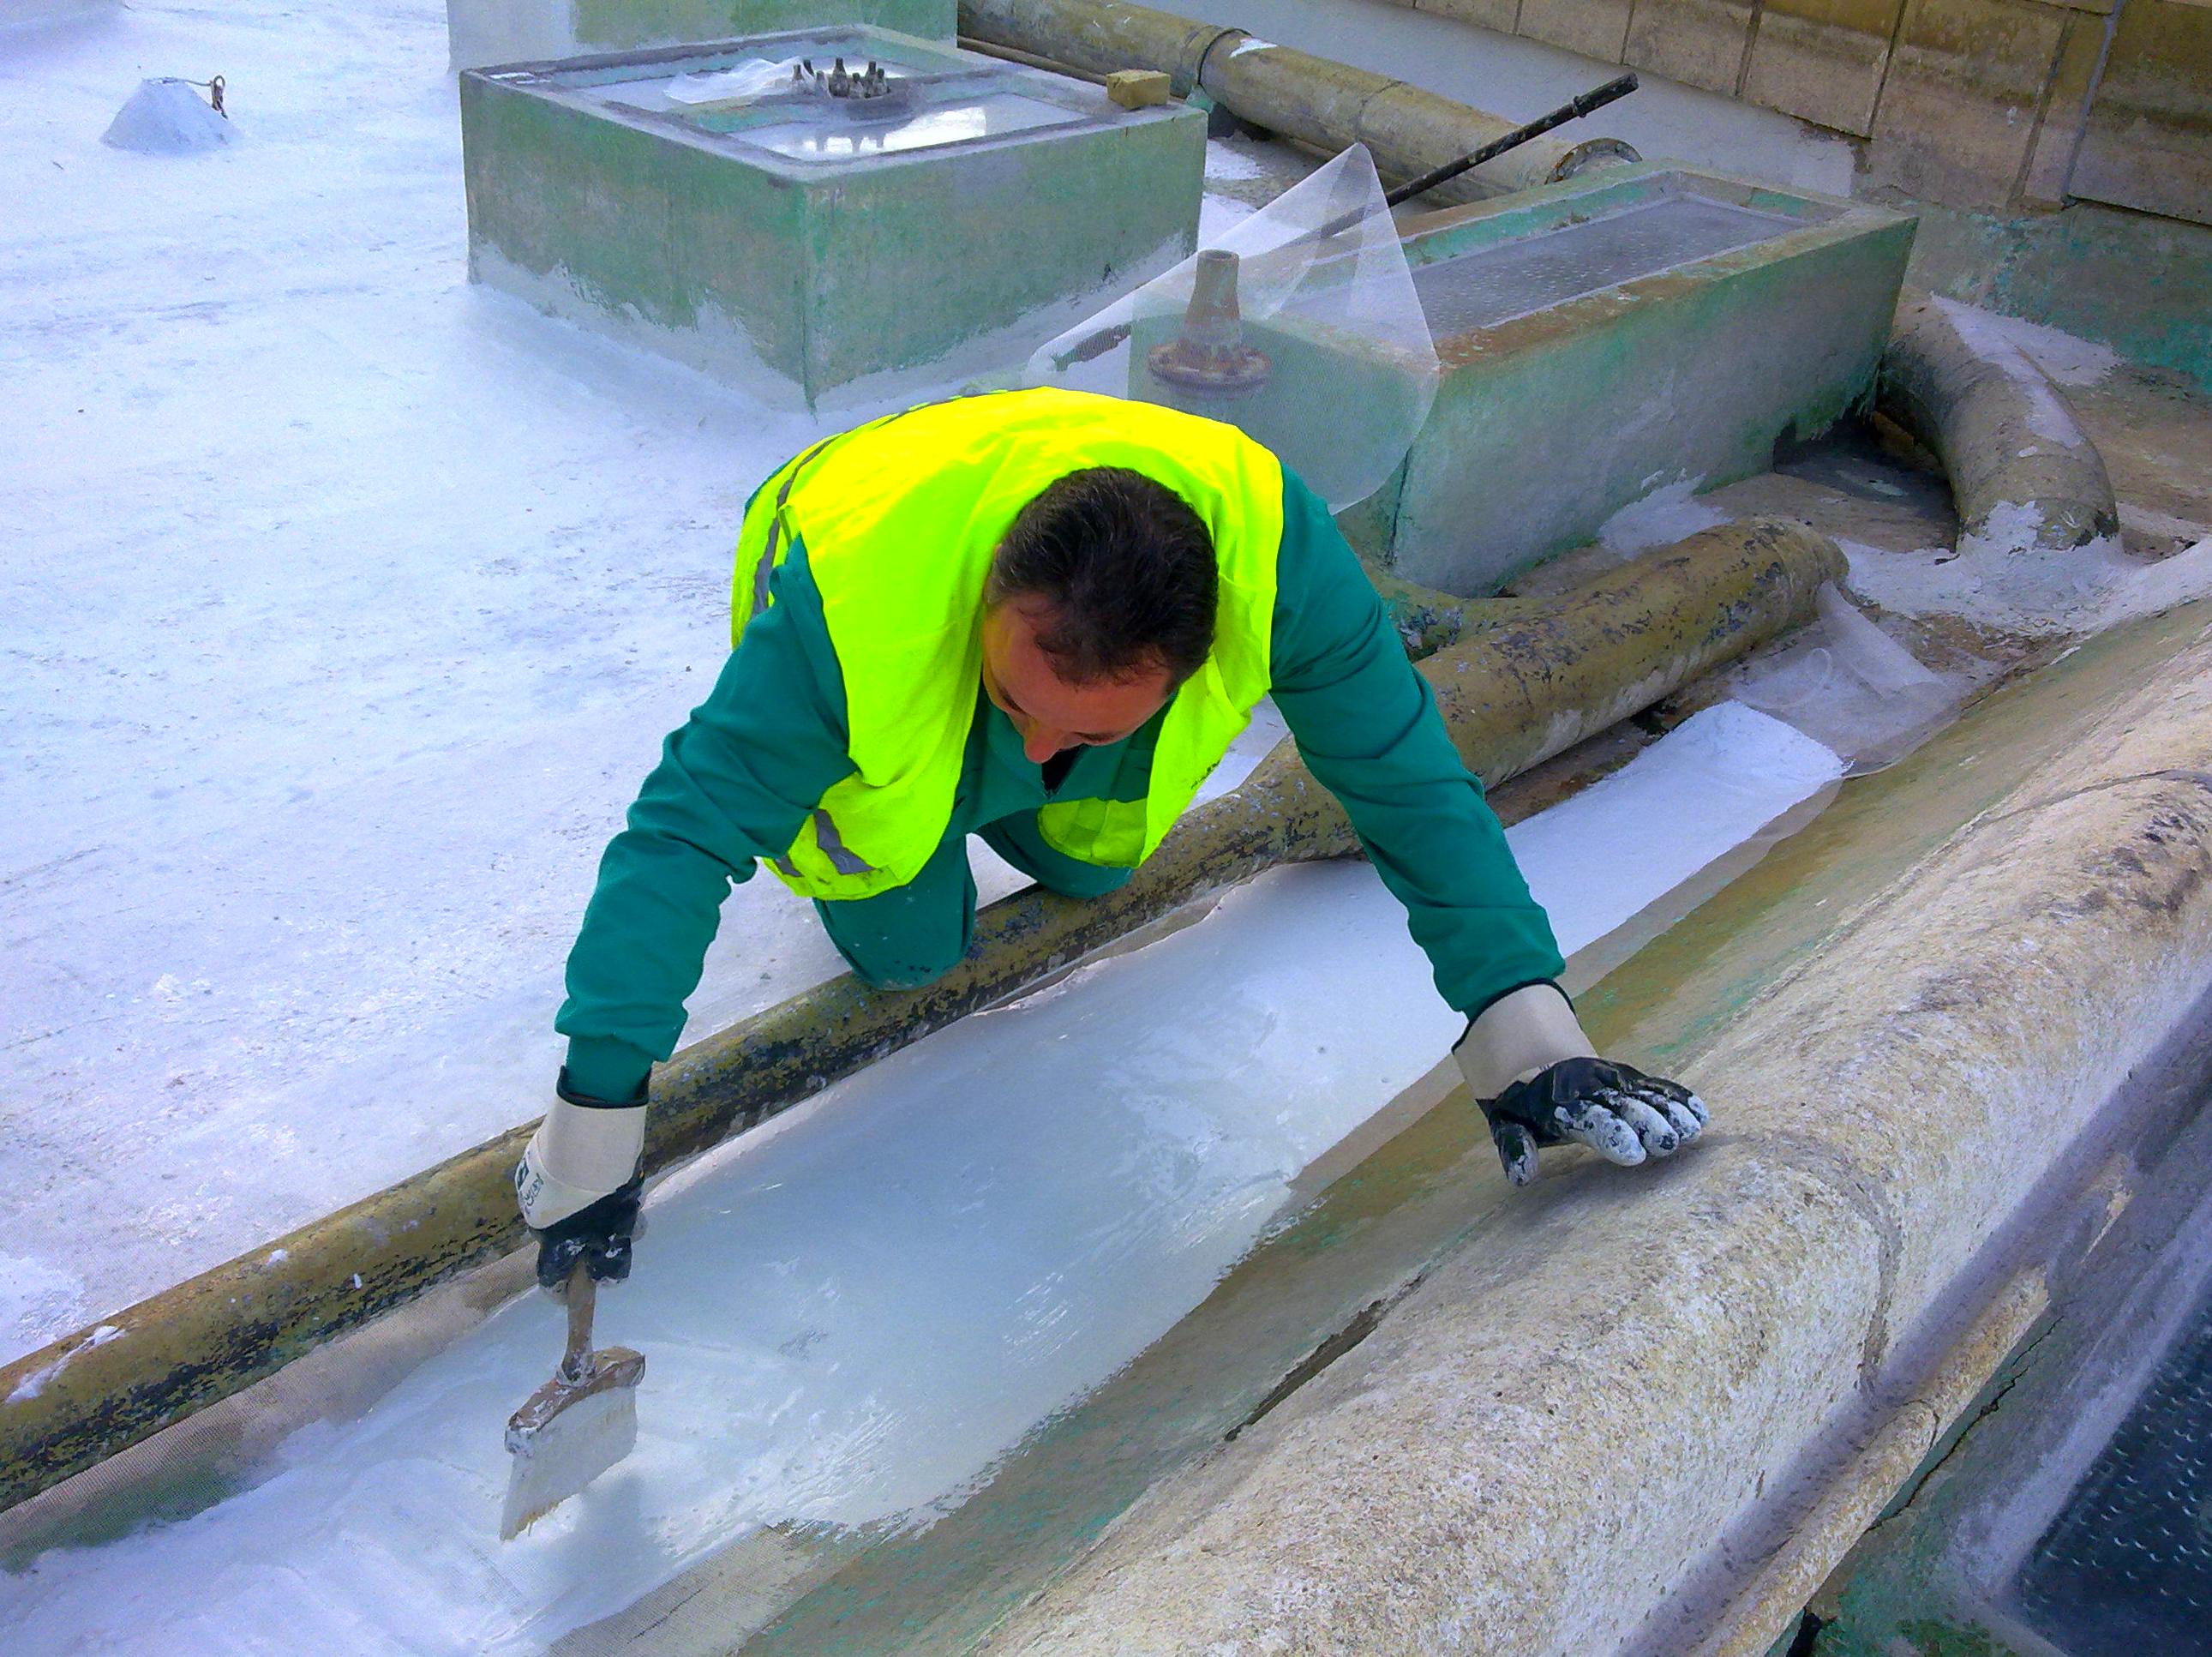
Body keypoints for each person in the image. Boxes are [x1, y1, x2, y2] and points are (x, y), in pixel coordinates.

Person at [513, 389, 1706, 1288]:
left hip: (1045, 548)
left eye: (1083, 726)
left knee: (1092, 859)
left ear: (1196, 655)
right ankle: (917, 821)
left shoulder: (1277, 565)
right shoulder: (842, 625)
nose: (1037, 750)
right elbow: (676, 838)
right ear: (990, 605)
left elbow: (1409, 786)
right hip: (850, 515)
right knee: (909, 946)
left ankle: (1055, 749)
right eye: (1018, 709)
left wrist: (1525, 1032)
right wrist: (594, 1124)